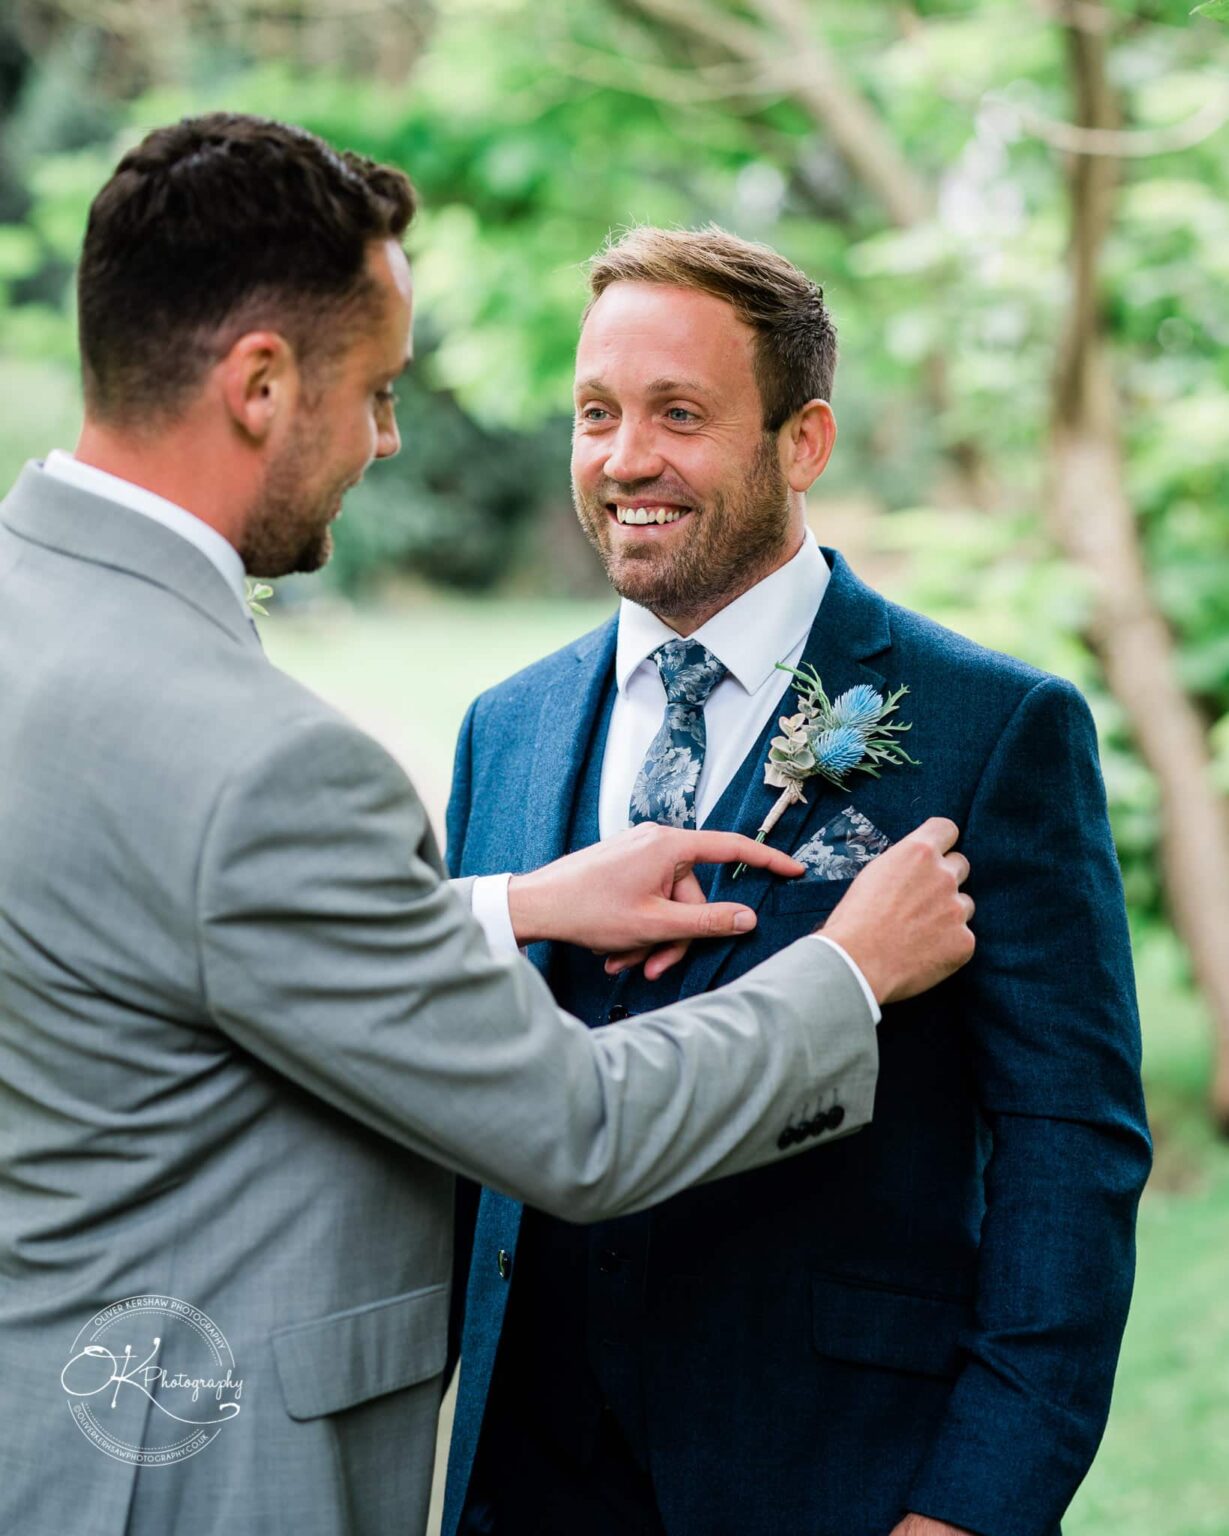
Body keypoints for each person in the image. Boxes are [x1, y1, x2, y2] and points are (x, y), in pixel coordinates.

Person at [0, 120, 975, 1536]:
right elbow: (576, 1127)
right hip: (198, 1479)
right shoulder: (267, 764)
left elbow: (123, 922)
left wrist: (506, 908)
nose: (387, 438)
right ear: (261, 384)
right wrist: (849, 971)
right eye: (377, 390)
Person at [444, 227, 1153, 1536]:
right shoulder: (507, 727)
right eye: (595, 413)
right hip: (524, 1486)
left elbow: (1072, 1151)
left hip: (832, 1477)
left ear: (803, 442)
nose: (623, 460)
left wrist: (969, 1512)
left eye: (679, 415)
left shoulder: (989, 728)